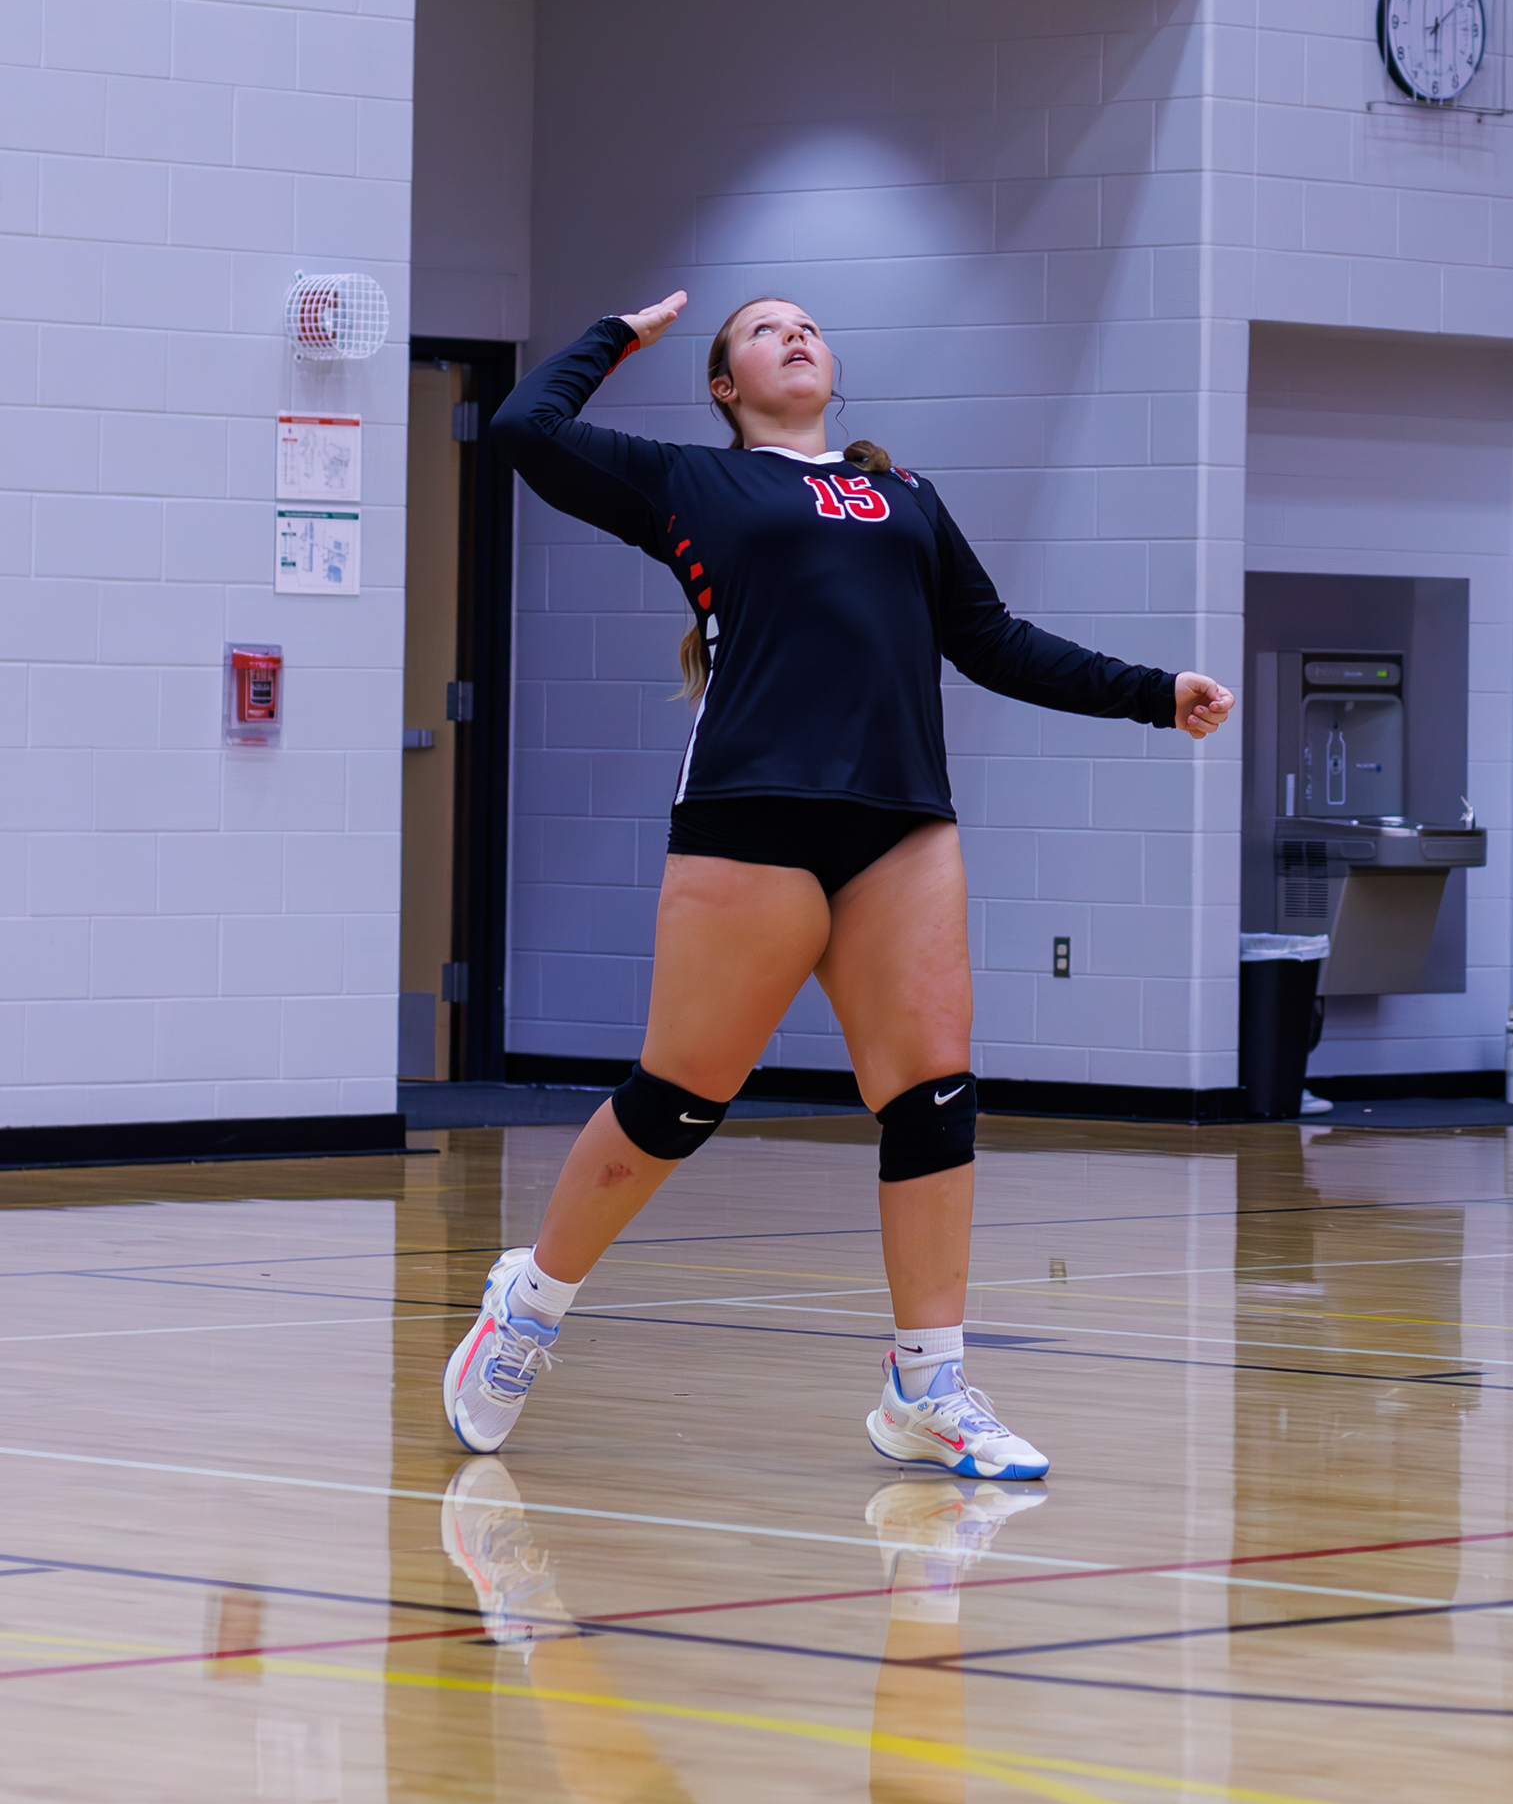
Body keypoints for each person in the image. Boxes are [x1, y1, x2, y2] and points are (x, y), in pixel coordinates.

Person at [443, 291, 1234, 1477]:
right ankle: (529, 1306)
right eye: (764, 330)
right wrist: (617, 336)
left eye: (808, 324)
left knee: (932, 1098)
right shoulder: (690, 482)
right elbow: (522, 430)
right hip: (751, 811)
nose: (796, 335)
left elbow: (992, 640)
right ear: (726, 385)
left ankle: (929, 1387)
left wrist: (1152, 692)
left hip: (901, 821)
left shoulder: (906, 495)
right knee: (677, 1101)